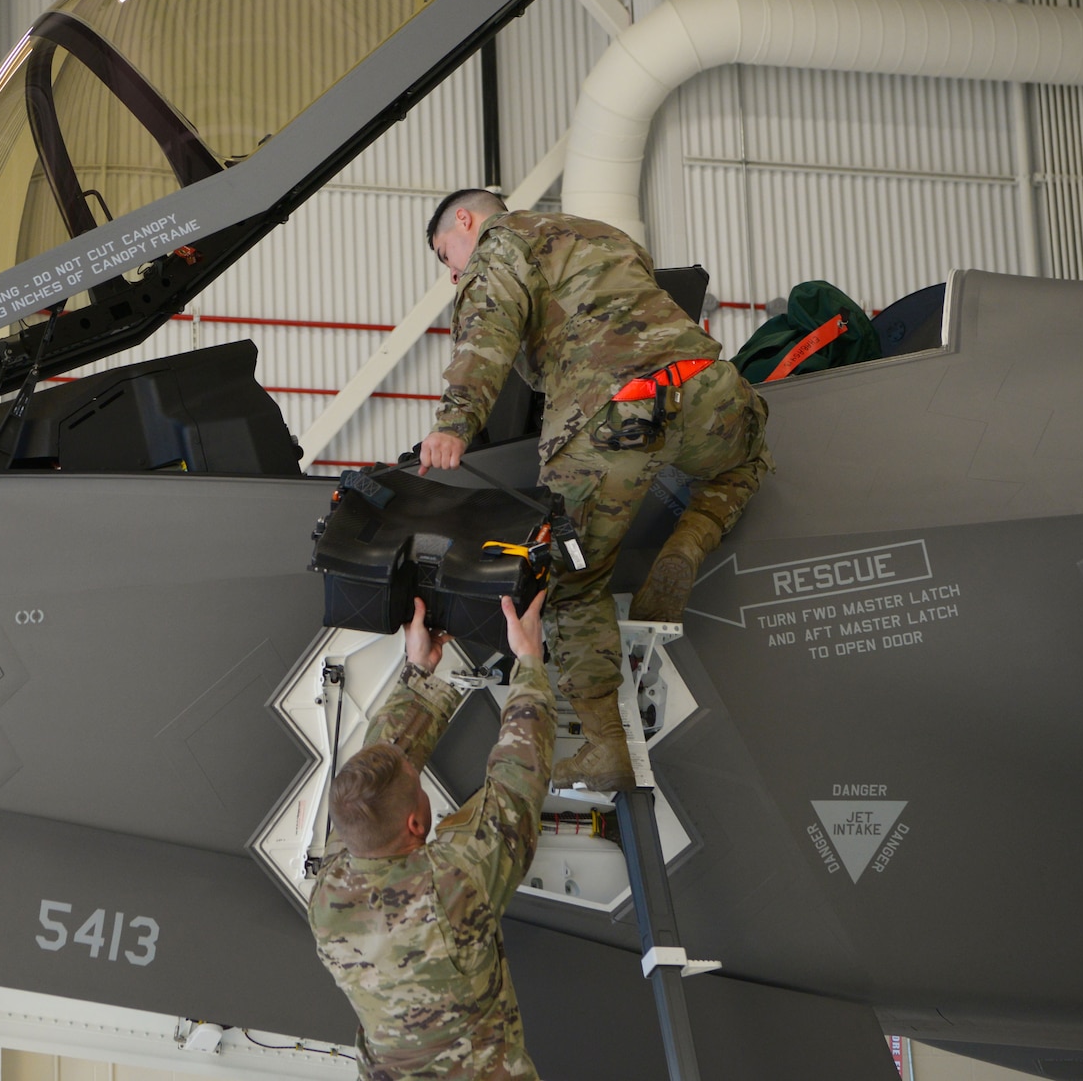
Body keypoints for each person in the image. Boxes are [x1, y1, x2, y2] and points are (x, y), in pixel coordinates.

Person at [415, 189, 772, 791]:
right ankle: (688, 545)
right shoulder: (600, 231)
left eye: (445, 253)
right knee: (750, 457)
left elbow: (487, 334)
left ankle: (606, 746)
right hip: (711, 388)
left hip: (612, 419)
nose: (453, 272)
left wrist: (453, 426)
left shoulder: (500, 242)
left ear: (467, 220)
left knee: (571, 578)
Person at [309, 592, 556, 1081]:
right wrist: (529, 659)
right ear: (415, 825)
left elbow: (373, 781)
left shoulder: (329, 900)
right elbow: (516, 784)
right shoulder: (451, 887)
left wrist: (417, 674)